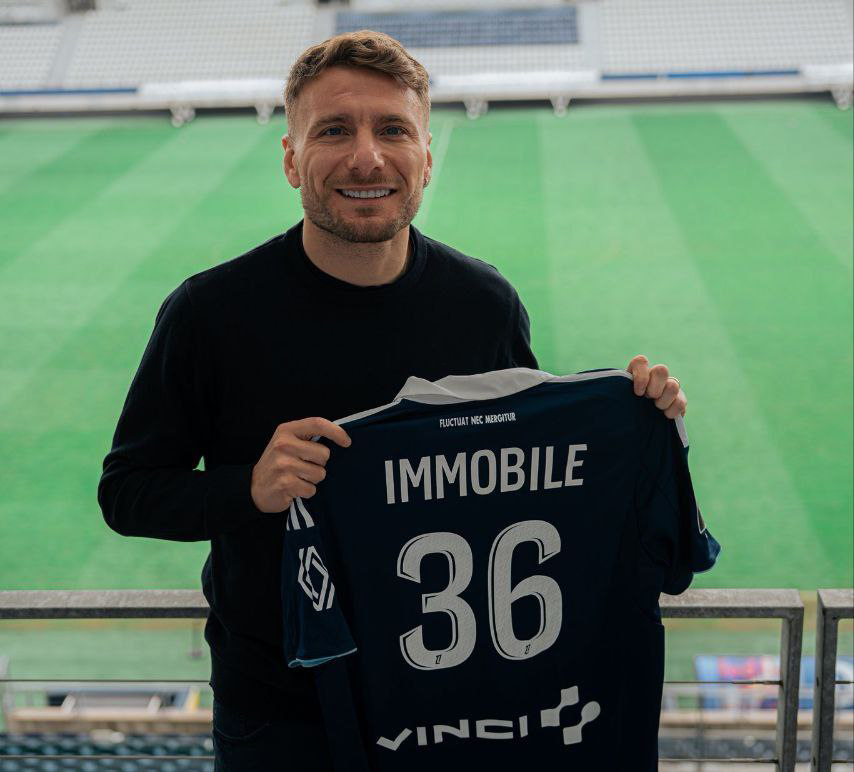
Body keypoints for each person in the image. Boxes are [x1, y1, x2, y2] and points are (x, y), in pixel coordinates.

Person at [98, 30, 687, 771]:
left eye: (393, 130)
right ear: (291, 158)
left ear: (427, 156)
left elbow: (525, 478)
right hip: (283, 714)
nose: (367, 158)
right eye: (333, 131)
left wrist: (637, 423)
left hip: (451, 699)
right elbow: (127, 493)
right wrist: (250, 489)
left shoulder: (483, 304)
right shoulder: (209, 314)